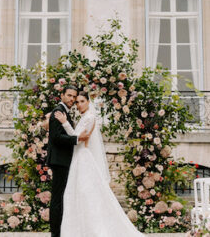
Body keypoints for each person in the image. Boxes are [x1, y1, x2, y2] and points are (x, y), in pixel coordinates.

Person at [54, 91, 147, 237]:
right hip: (78, 157)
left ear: (88, 102)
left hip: (83, 158)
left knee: (85, 193)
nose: (79, 104)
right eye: (77, 102)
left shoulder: (90, 117)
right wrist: (67, 124)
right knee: (77, 193)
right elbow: (76, 137)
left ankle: (91, 229)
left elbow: (76, 138)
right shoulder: (84, 117)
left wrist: (64, 123)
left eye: (82, 101)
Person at [46, 85, 87, 237]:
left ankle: (59, 232)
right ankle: (55, 234)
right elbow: (56, 138)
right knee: (57, 198)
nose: (71, 99)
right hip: (59, 161)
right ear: (62, 95)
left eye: (74, 97)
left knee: (61, 197)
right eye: (69, 95)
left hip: (62, 160)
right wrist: (76, 138)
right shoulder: (58, 111)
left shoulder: (64, 111)